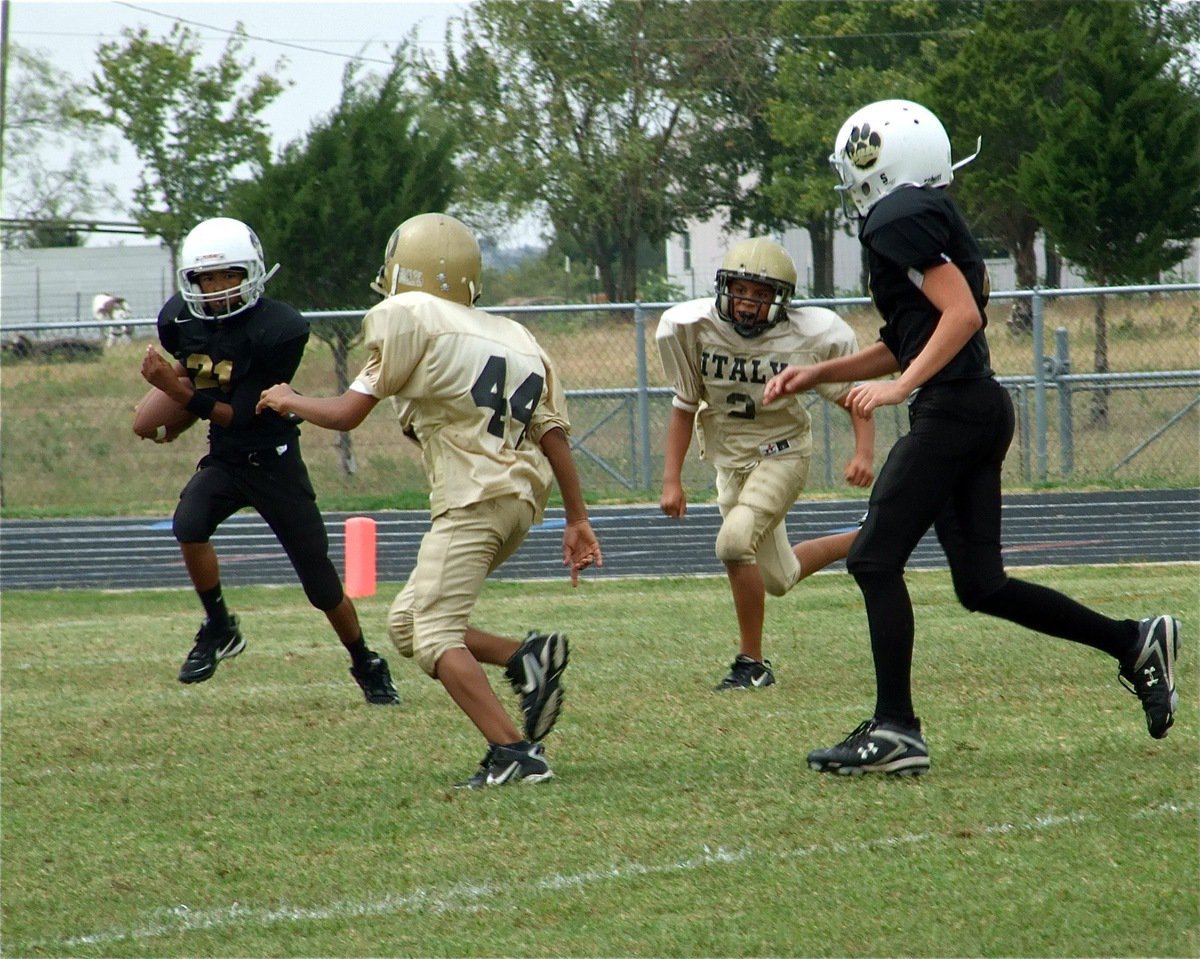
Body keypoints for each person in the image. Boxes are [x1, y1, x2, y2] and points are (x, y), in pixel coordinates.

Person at [763, 99, 1181, 775]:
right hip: (975, 405)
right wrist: (820, 373)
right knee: (982, 585)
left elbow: (957, 317)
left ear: (877, 157)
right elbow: (910, 339)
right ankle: (1133, 642)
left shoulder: (896, 218)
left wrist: (901, 390)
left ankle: (896, 729)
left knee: (873, 558)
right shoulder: (925, 217)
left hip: (955, 409)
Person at [257, 212, 603, 788]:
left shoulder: (408, 316)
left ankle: (515, 753)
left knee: (436, 635)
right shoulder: (519, 337)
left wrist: (290, 399)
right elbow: (554, 435)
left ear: (405, 271)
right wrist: (577, 517)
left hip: (472, 500)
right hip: (517, 502)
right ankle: (526, 656)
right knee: (407, 622)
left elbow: (346, 413)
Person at [138, 216, 399, 705]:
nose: (215, 289)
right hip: (226, 459)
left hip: (273, 460)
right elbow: (198, 372)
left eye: (227, 277)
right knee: (188, 524)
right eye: (206, 279)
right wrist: (167, 413)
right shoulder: (181, 321)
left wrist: (172, 391)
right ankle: (219, 625)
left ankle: (365, 660)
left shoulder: (278, 329)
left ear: (251, 274)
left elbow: (237, 413)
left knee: (320, 583)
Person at [657, 238, 875, 690]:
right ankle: (870, 537)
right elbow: (684, 406)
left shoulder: (808, 335)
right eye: (740, 290)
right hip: (730, 463)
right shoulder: (693, 328)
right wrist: (671, 479)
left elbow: (855, 397)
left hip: (783, 451)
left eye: (761, 295)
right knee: (780, 577)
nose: (748, 303)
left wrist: (864, 451)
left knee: (735, 543)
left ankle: (751, 663)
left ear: (781, 301)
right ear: (724, 289)